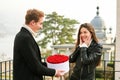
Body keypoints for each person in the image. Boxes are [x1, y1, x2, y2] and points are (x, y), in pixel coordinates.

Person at [13, 9, 64, 80]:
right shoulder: (25, 38)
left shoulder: (23, 35)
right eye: (40, 23)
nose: (41, 27)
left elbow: (34, 62)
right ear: (33, 22)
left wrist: (53, 65)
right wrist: (54, 72)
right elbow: (36, 67)